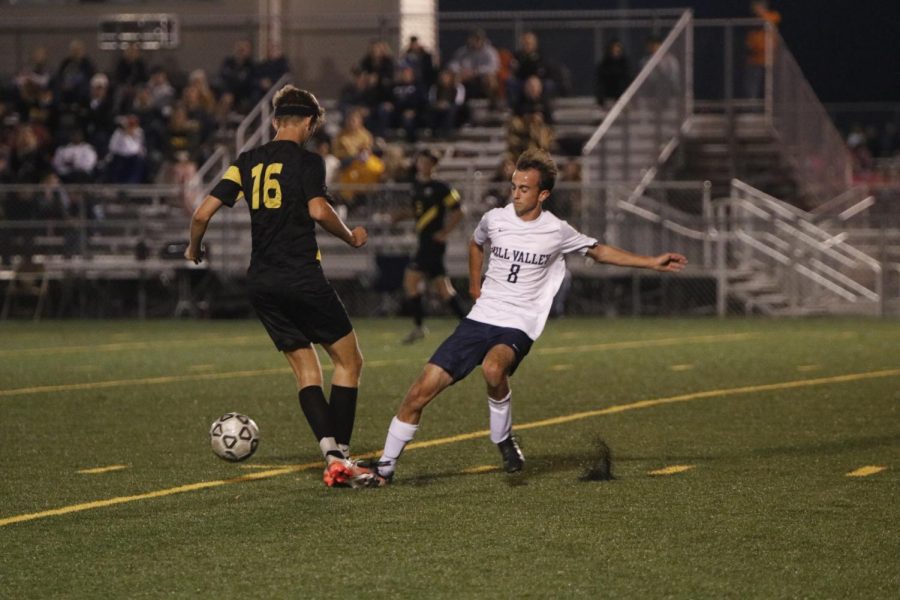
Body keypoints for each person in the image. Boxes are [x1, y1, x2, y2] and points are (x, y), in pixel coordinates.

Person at [366, 149, 687, 485]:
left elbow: (598, 251)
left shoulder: (556, 230)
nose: (516, 193)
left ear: (543, 194)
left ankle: (502, 438)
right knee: (419, 391)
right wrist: (475, 285)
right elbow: (477, 244)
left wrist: (651, 262)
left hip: (520, 322)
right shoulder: (495, 219)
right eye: (514, 186)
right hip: (481, 318)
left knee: (493, 369)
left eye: (524, 188)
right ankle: (385, 467)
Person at [185, 84, 375, 488]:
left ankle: (333, 458)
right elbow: (319, 209)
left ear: (274, 121)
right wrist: (350, 237)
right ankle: (340, 454)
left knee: (307, 370)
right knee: (349, 361)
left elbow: (202, 213)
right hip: (301, 275)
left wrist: (193, 247)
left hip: (262, 282)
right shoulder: (309, 161)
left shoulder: (247, 161)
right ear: (308, 123)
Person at [397, 149, 467, 344]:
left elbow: (459, 211)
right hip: (424, 240)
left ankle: (419, 327)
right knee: (444, 288)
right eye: (420, 161)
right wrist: (401, 216)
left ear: (434, 165)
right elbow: (419, 212)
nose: (422, 165)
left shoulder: (441, 187)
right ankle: (468, 326)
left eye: (427, 162)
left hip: (432, 243)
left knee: (411, 280)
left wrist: (445, 232)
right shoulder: (417, 186)